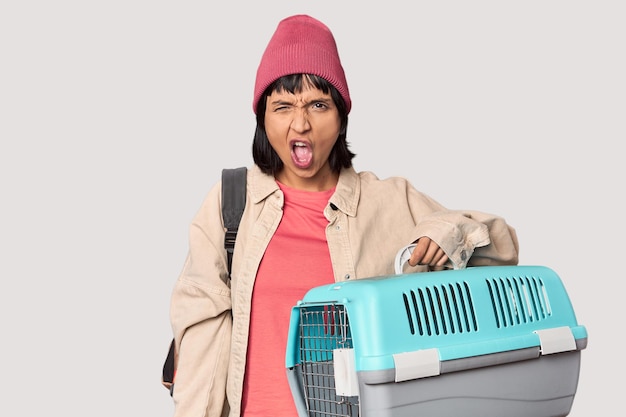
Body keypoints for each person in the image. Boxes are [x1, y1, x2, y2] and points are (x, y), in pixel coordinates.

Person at [167, 14, 519, 417]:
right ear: (263, 118)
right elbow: (199, 336)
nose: (301, 123)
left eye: (319, 104)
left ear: (341, 116)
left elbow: (504, 249)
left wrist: (447, 236)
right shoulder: (231, 203)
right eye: (282, 106)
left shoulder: (389, 200)